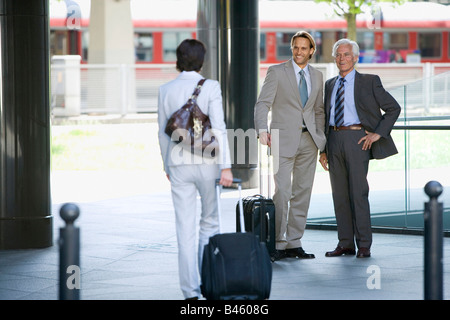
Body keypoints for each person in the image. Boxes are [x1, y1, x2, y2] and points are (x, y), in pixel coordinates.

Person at [157, 39, 233, 299]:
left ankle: (190, 292)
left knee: (184, 228)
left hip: (178, 165)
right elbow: (219, 128)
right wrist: (226, 167)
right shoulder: (210, 86)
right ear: (202, 60)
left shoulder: (165, 89)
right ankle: (208, 282)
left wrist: (167, 164)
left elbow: (162, 132)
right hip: (208, 163)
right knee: (210, 223)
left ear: (178, 59)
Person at [319, 39, 401, 258]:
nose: (342, 59)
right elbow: (325, 118)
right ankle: (345, 243)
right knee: (340, 195)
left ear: (355, 57)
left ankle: (363, 244)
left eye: (346, 55)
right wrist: (323, 150)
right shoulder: (329, 84)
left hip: (358, 140)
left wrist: (377, 134)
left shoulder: (369, 81)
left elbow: (393, 108)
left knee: (358, 193)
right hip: (334, 139)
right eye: (338, 55)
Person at [254, 31, 326, 261]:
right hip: (281, 140)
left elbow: (318, 111)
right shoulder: (277, 72)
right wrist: (262, 130)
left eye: (304, 48)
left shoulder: (318, 76)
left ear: (311, 51)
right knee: (282, 192)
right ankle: (277, 243)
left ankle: (294, 243)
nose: (299, 52)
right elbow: (262, 103)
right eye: (295, 47)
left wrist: (321, 142)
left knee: (302, 193)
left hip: (309, 141)